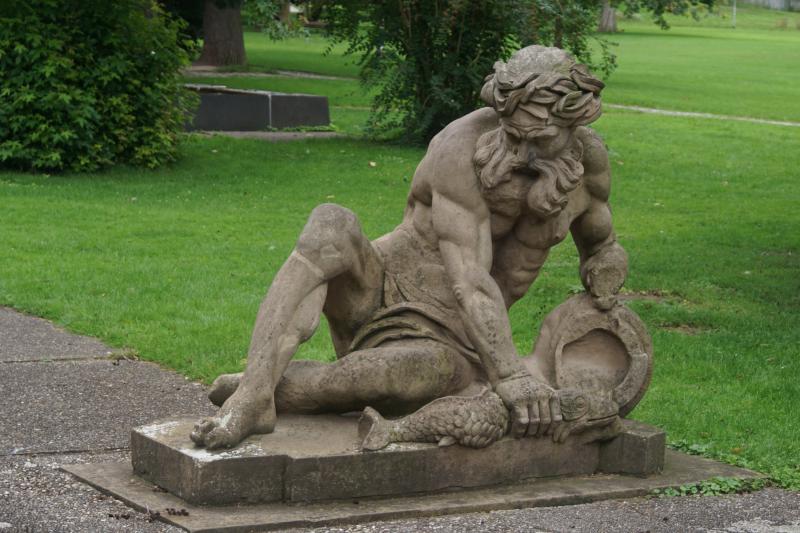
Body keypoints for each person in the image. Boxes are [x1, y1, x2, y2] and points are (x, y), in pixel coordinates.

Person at [191, 45, 628, 450]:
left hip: (452, 342)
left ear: (575, 123)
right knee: (330, 223)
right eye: (513, 135)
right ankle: (253, 393)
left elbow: (601, 246)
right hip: (375, 288)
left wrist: (605, 275)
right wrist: (512, 375)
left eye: (540, 139)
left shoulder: (588, 165)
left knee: (386, 375)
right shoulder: (461, 149)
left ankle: (271, 386)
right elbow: (470, 279)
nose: (522, 152)